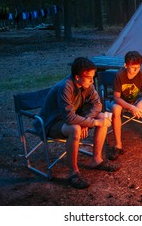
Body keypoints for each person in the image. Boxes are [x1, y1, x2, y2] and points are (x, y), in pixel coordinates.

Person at [36, 57, 120, 189]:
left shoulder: (88, 85)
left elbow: (98, 105)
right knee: (75, 128)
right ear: (77, 77)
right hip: (51, 123)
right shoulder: (65, 87)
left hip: (71, 119)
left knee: (103, 116)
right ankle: (73, 173)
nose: (92, 81)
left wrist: (87, 122)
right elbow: (69, 118)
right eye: (89, 77)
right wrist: (94, 122)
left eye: (94, 76)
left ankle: (96, 160)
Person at [108, 51, 142, 160]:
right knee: (116, 109)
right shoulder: (120, 75)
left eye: (138, 67)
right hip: (122, 103)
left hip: (136, 101)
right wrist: (131, 107)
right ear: (126, 65)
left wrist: (140, 104)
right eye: (133, 68)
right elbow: (116, 97)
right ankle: (118, 145)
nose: (136, 70)